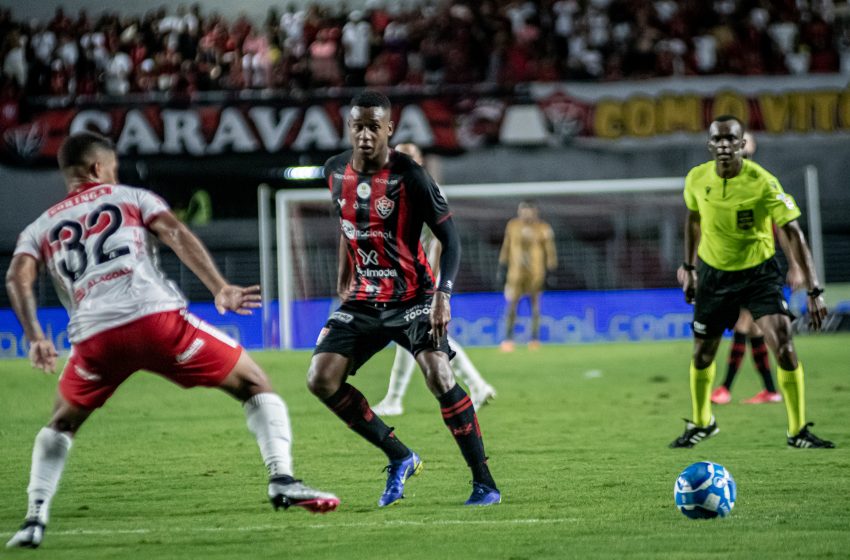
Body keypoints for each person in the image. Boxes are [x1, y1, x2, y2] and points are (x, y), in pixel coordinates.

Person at [5, 132, 338, 549]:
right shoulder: (130, 196)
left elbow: (17, 277)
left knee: (61, 422)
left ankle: (34, 518)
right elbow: (176, 233)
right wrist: (219, 287)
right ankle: (282, 478)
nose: (114, 174)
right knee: (254, 383)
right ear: (96, 168)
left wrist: (35, 336)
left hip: (94, 338)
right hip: (155, 321)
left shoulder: (41, 225)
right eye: (111, 167)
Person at [307, 91, 500, 507]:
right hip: (362, 299)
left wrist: (442, 296)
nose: (364, 135)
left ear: (388, 129)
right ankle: (400, 455)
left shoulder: (411, 175)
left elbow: (451, 239)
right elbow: (348, 225)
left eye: (373, 127)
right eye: (357, 126)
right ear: (349, 127)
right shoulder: (334, 170)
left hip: (413, 297)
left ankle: (484, 482)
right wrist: (345, 275)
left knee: (438, 375)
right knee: (320, 379)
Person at [670, 116, 834, 449]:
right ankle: (703, 422)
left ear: (743, 145)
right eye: (719, 140)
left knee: (784, 346)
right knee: (702, 354)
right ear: (710, 145)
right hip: (714, 275)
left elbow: (793, 232)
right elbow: (692, 220)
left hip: (759, 274)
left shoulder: (763, 182)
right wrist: (689, 267)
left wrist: (815, 289)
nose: (725, 146)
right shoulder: (696, 179)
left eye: (732, 140)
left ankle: (797, 430)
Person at [371, 142, 496, 416]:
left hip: (424, 278)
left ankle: (475, 386)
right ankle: (396, 398)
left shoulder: (426, 189)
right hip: (408, 277)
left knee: (427, 335)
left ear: (419, 161)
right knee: (414, 336)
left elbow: (443, 239)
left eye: (407, 157)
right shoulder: (396, 189)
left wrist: (437, 286)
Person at [710, 130, 803, 405]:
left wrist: (796, 266)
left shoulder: (762, 184)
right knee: (753, 330)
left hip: (759, 268)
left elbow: (785, 228)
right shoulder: (722, 186)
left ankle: (725, 388)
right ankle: (771, 390)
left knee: (745, 324)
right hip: (737, 268)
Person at [498, 200, 557, 352]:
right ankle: (508, 339)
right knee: (512, 304)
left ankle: (534, 339)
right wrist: (502, 267)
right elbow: (506, 246)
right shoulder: (512, 225)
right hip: (515, 273)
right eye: (522, 211)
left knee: (535, 305)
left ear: (535, 212)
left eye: (528, 211)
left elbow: (550, 250)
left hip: (536, 273)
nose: (525, 214)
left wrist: (551, 270)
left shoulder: (543, 228)